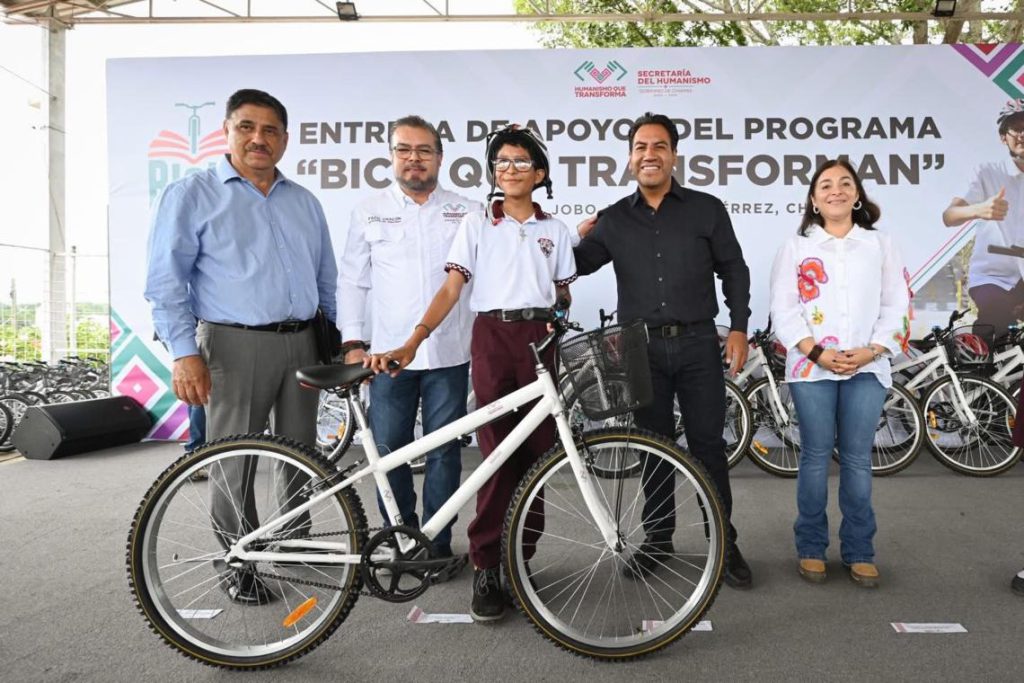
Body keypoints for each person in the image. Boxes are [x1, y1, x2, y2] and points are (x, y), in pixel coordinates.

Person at [369, 125, 577, 622]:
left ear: (540, 173)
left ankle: (519, 560)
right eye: (501, 162)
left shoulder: (555, 230)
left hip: (539, 342)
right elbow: (450, 290)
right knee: (495, 454)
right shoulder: (478, 224)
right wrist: (413, 340)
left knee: (537, 455)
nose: (509, 169)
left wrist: (557, 311)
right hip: (491, 340)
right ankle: (486, 564)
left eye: (521, 162)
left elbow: (563, 290)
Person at [145, 88, 338, 605]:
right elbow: (165, 283)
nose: (259, 139)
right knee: (235, 458)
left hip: (303, 343)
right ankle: (239, 560)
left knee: (300, 453)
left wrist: (336, 341)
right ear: (226, 132)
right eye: (247, 127)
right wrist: (184, 353)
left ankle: (293, 542)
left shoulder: (304, 201)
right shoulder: (192, 195)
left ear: (285, 140)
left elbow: (326, 279)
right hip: (233, 344)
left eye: (270, 130)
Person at [572, 112, 753, 589]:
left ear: (674, 155)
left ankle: (723, 541)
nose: (649, 154)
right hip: (641, 349)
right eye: (640, 147)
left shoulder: (706, 209)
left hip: (697, 344)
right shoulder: (613, 219)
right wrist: (573, 237)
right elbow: (574, 266)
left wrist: (738, 327)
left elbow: (734, 269)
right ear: (630, 158)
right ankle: (657, 540)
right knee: (653, 448)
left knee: (708, 447)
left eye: (659, 146)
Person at [340, 115, 481, 564]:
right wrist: (352, 343)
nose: (413, 158)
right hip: (386, 357)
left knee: (444, 454)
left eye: (423, 150)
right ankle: (401, 541)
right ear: (392, 156)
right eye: (404, 149)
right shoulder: (368, 210)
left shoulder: (468, 210)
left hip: (450, 353)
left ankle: (436, 546)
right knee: (390, 452)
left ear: (440, 157)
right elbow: (352, 281)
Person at [769, 159, 909, 588]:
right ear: (814, 199)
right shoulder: (797, 247)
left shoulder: (879, 244)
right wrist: (817, 353)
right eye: (826, 185)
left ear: (857, 195)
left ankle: (860, 550)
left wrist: (872, 350)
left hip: (868, 365)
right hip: (812, 367)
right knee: (814, 457)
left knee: (857, 460)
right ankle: (811, 547)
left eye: (845, 183)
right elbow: (784, 309)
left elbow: (897, 303)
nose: (836, 190)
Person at [942, 99, 1024, 337]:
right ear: (1003, 137)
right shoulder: (988, 172)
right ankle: (978, 360)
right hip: (993, 277)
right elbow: (949, 215)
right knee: (994, 322)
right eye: (1016, 129)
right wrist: (979, 209)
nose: (1022, 134)